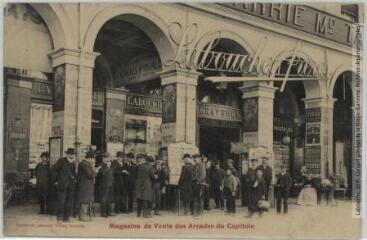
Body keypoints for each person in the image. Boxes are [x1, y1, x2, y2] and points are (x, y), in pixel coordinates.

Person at [51, 148, 77, 222]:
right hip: (62, 185)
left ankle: (66, 218)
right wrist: (56, 181)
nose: (71, 156)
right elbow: (53, 170)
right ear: (67, 154)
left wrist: (75, 179)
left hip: (71, 186)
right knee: (61, 202)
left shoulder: (73, 163)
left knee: (69, 203)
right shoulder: (61, 161)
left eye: (73, 155)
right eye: (70, 154)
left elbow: (73, 174)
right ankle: (59, 218)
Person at [76, 150, 101, 221]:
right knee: (84, 201)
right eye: (92, 159)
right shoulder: (84, 164)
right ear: (89, 158)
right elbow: (91, 175)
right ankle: (83, 217)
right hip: (85, 186)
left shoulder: (84, 164)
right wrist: (96, 170)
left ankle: (84, 216)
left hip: (86, 186)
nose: (92, 160)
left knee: (86, 201)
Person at [98, 153, 114, 217]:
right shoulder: (101, 165)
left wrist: (112, 182)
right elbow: (103, 173)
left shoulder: (109, 165)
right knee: (104, 199)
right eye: (107, 158)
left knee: (109, 199)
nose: (108, 159)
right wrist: (107, 167)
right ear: (103, 158)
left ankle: (109, 212)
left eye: (108, 157)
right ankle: (103, 213)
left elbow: (111, 174)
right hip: (104, 184)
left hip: (110, 184)